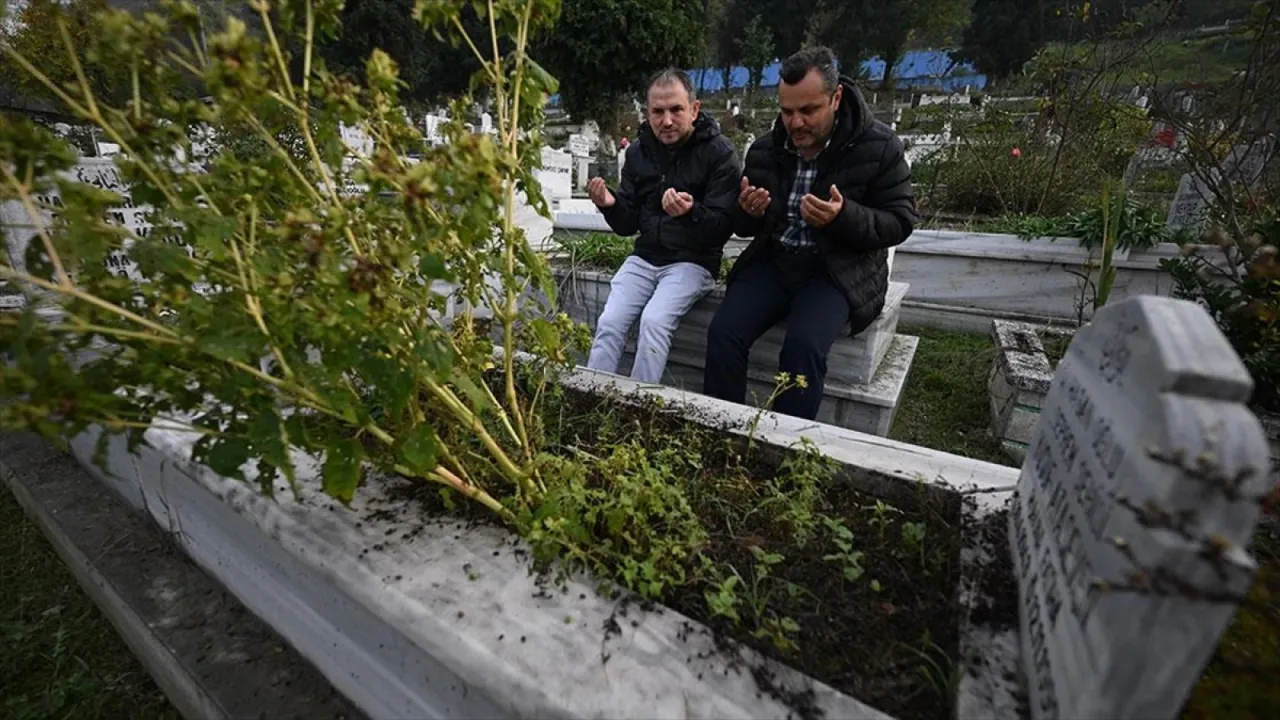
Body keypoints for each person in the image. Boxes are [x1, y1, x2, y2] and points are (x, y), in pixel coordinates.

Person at [703, 46, 916, 420]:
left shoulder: (878, 146)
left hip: (836, 270)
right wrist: (748, 212)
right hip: (775, 260)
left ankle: (784, 451)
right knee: (723, 332)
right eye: (787, 112)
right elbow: (744, 226)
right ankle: (725, 432)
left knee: (802, 349)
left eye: (808, 111)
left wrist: (842, 216)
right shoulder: (765, 150)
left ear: (836, 98)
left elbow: (900, 221)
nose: (796, 123)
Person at [585, 68, 741, 384]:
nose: (666, 121)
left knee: (654, 321)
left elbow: (724, 226)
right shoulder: (639, 151)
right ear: (648, 112)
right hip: (646, 257)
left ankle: (640, 407)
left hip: (693, 261)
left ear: (694, 110)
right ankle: (589, 395)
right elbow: (628, 224)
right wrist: (610, 205)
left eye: (676, 110)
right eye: (658, 111)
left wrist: (690, 212)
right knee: (610, 321)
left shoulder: (719, 152)